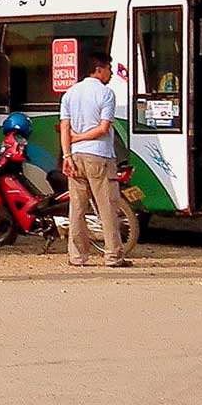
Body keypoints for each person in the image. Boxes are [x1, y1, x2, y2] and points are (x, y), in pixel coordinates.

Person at [58, 51, 131, 268]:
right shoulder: (106, 94)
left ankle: (77, 256)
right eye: (108, 68)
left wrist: (67, 154)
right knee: (107, 207)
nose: (110, 73)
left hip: (75, 156)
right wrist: (81, 137)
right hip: (99, 156)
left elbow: (64, 127)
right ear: (99, 69)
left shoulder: (70, 93)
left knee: (77, 208)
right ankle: (113, 256)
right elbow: (103, 128)